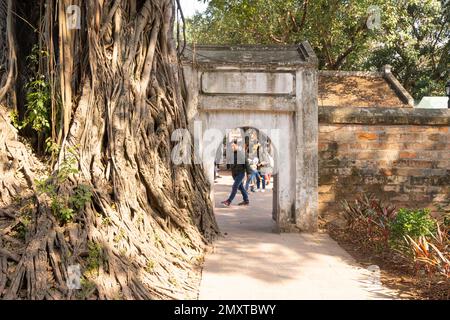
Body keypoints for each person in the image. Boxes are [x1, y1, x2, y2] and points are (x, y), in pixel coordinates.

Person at [221, 141, 252, 207]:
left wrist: (249, 173)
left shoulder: (240, 153)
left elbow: (246, 163)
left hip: (240, 173)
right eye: (231, 146)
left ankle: (229, 201)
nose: (232, 147)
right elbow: (227, 158)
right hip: (235, 174)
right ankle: (246, 200)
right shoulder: (232, 153)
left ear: (236, 145)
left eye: (233, 146)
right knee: (241, 188)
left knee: (235, 186)